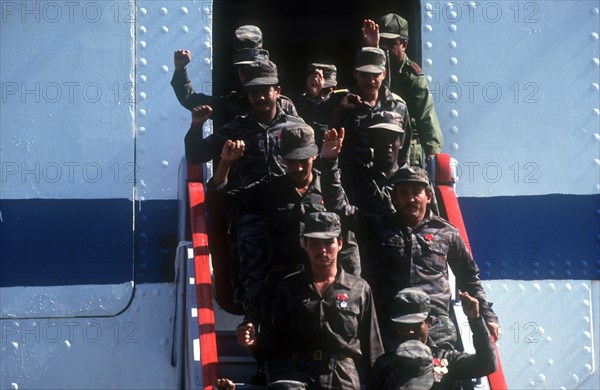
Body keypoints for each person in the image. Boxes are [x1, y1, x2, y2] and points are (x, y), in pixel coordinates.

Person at [319, 128, 499, 351]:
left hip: (436, 328)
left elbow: (469, 277)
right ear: (394, 198)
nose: (411, 199)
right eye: (404, 193)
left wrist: (488, 315)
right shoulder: (377, 225)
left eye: (416, 192)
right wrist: (329, 161)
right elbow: (338, 208)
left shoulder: (447, 233)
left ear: (428, 196)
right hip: (391, 326)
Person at [239, 212, 383, 389]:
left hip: (343, 378)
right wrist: (254, 342)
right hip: (298, 376)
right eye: (314, 243)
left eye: (328, 242)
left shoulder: (359, 289)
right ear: (304, 245)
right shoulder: (289, 286)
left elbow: (373, 347)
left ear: (340, 243)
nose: (322, 250)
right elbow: (274, 343)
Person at [314, 47, 412, 202]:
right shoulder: (337, 101)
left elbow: (404, 149)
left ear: (384, 74)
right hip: (349, 185)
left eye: (376, 75)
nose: (371, 80)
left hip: (386, 186)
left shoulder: (398, 106)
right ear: (355, 73)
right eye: (365, 74)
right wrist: (340, 110)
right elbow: (320, 138)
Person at [171, 25, 297, 130]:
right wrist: (180, 71)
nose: (246, 75)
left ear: (277, 90)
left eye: (252, 69)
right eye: (242, 70)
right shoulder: (233, 106)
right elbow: (191, 100)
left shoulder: (285, 106)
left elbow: (301, 142)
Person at [368, 288, 497, 389]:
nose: (410, 331)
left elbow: (487, 364)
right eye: (403, 326)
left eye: (416, 325)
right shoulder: (384, 365)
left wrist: (475, 320)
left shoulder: (447, 360)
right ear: (395, 327)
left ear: (429, 322)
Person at [362, 15, 443, 167]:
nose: (384, 47)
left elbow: (426, 115)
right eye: (382, 42)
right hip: (378, 142)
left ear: (404, 44)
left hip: (406, 146)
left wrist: (433, 153)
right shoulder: (373, 71)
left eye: (390, 43)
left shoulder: (412, 76)